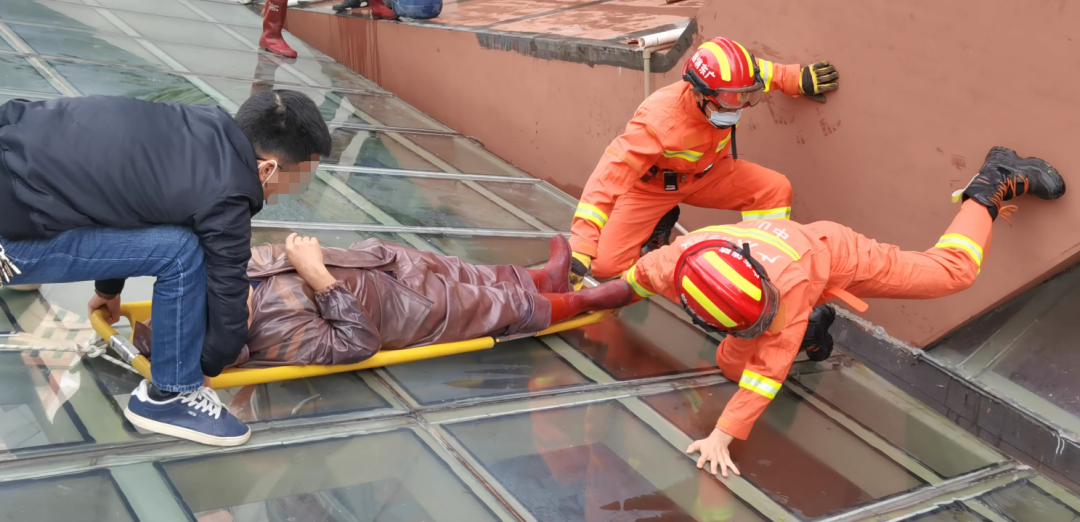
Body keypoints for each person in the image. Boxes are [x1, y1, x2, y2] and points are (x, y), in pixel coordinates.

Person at [617, 146, 1065, 476]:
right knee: (728, 364)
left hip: (835, 254)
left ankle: (996, 179)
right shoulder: (665, 264)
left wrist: (721, 436)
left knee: (953, 273)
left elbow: (765, 378)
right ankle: (815, 321)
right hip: (792, 268)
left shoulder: (782, 302)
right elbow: (623, 286)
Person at [0, 91, 332, 446]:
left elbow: (123, 205)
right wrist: (207, 365)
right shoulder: (228, 192)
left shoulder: (198, 126)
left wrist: (108, 289)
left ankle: (25, 261)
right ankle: (170, 397)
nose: (295, 191)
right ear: (267, 168)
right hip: (10, 242)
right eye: (299, 181)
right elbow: (228, 291)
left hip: (15, 177)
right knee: (182, 251)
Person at [569, 36, 840, 286]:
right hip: (651, 189)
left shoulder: (736, 77)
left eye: (745, 97)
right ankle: (655, 238)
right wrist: (582, 244)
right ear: (698, 92)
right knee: (604, 266)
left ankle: (762, 270)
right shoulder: (658, 121)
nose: (738, 107)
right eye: (727, 103)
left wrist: (797, 79)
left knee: (774, 189)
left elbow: (765, 73)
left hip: (708, 176)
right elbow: (609, 176)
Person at [133, 234, 632, 367]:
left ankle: (545, 277)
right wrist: (320, 278)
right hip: (411, 310)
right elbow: (358, 342)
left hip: (383, 263)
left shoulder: (234, 279)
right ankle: (582, 303)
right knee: (493, 306)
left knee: (473, 272)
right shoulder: (277, 338)